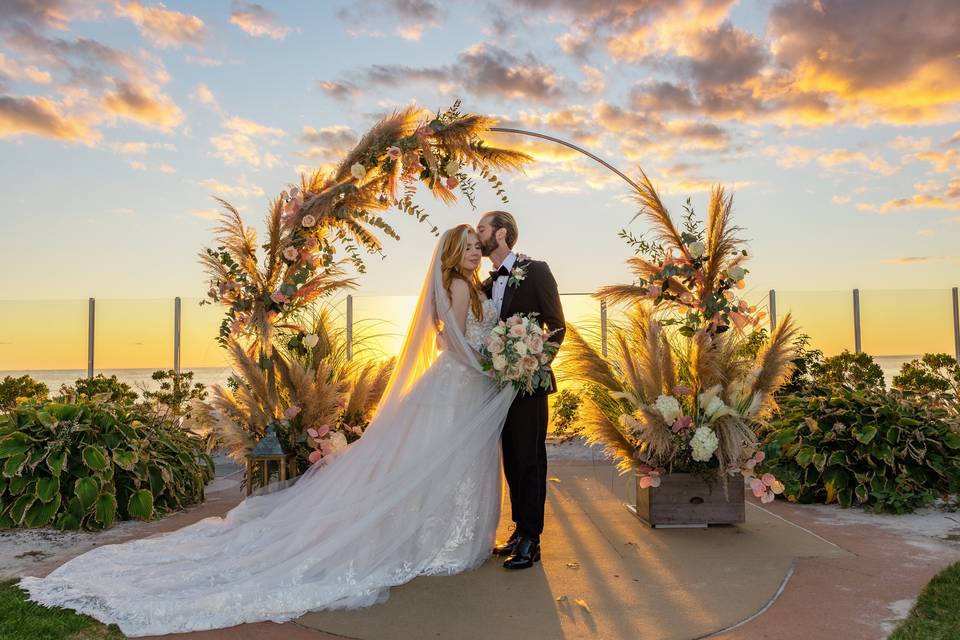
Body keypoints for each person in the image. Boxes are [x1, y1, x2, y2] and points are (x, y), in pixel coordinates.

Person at [17, 224, 520, 637]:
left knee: (439, 465)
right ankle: (433, 541)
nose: (475, 253)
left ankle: (441, 536)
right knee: (431, 464)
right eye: (470, 247)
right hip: (456, 385)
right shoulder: (455, 285)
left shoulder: (470, 286)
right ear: (454, 252)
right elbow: (452, 342)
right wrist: (487, 366)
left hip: (462, 388)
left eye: (479, 247)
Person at [476, 210, 565, 570]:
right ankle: (518, 530)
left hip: (529, 384)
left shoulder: (537, 271)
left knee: (530, 459)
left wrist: (534, 363)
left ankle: (532, 538)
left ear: (501, 234)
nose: (477, 234)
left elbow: (557, 327)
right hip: (497, 388)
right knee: (511, 460)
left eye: (482, 228)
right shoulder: (484, 285)